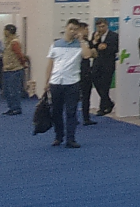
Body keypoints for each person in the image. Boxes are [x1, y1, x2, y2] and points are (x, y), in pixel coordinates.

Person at [44, 19, 91, 148]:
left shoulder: (80, 45)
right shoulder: (55, 44)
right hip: (56, 82)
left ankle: (71, 139)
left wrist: (81, 40)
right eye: (70, 28)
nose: (72, 31)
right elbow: (50, 64)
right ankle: (58, 136)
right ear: (65, 28)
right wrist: (47, 81)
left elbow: (87, 55)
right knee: (56, 112)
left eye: (75, 29)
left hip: (72, 82)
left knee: (71, 112)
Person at [91, 19, 118, 115]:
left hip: (108, 63)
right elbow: (91, 47)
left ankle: (103, 107)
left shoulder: (114, 36)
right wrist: (95, 41)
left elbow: (116, 48)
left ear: (107, 26)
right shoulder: (95, 35)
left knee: (105, 85)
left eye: (103, 26)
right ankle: (108, 102)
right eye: (99, 27)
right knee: (95, 80)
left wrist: (106, 47)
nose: (101, 29)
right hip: (97, 63)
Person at [1, 25, 28, 115]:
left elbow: (19, 55)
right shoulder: (8, 42)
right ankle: (11, 107)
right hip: (7, 70)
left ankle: (16, 108)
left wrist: (23, 64)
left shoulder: (14, 42)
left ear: (8, 31)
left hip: (15, 70)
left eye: (5, 30)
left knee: (14, 91)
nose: (4, 32)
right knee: (7, 91)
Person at [78, 21, 98, 126]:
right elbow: (87, 55)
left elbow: (94, 54)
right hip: (77, 71)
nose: (88, 31)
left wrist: (93, 45)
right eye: (86, 29)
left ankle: (86, 118)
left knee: (86, 96)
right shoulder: (75, 43)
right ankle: (72, 117)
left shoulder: (88, 42)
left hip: (87, 71)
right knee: (74, 96)